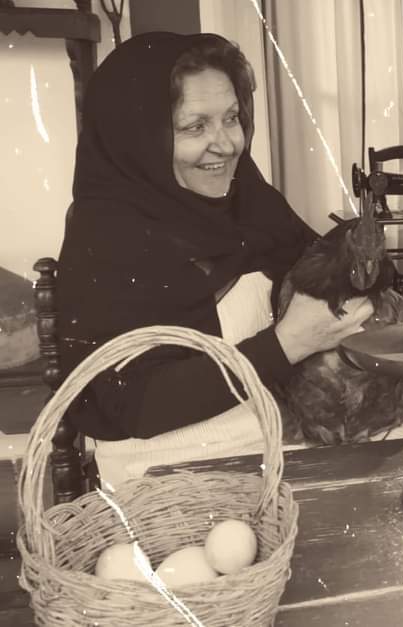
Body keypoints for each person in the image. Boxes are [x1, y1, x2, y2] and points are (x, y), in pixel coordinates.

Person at [56, 32, 374, 487]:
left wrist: (359, 263)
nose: (226, 144)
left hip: (280, 451)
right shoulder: (107, 239)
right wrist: (287, 344)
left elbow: (315, 268)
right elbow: (137, 406)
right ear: (138, 137)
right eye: (194, 127)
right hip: (164, 481)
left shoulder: (248, 202)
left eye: (231, 119)